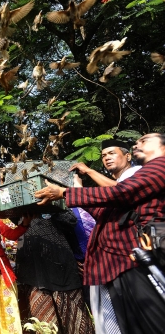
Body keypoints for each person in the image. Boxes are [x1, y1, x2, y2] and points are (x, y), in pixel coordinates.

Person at [35, 133, 165, 334]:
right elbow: (105, 213)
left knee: (151, 319)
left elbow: (120, 193)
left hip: (137, 255)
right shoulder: (143, 174)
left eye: (145, 140)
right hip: (117, 262)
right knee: (131, 324)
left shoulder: (159, 166)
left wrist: (66, 193)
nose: (137, 143)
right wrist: (76, 192)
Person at [70, 139, 140, 333]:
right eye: (103, 156)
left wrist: (90, 171)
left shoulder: (138, 173)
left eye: (111, 153)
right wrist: (78, 190)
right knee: (114, 316)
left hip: (133, 257)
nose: (106, 158)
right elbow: (101, 212)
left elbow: (121, 192)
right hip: (110, 262)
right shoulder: (112, 189)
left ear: (128, 155)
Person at [16, 209, 94, 334]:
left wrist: (52, 207)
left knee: (74, 320)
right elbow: (13, 222)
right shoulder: (21, 212)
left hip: (61, 268)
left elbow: (71, 221)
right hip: (33, 271)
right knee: (42, 321)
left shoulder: (58, 207)